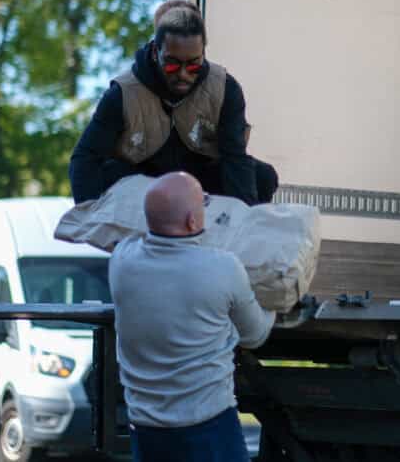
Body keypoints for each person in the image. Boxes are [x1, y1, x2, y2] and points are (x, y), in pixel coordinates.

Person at [109, 171, 275, 462]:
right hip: (208, 426)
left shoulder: (121, 261)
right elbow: (255, 334)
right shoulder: (222, 267)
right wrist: (276, 300)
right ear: (192, 221)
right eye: (204, 203)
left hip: (147, 431)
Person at [69, 0, 278, 205]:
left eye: (194, 65)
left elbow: (235, 158)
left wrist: (243, 219)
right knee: (105, 174)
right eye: (172, 64)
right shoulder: (122, 93)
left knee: (263, 176)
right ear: (155, 50)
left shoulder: (225, 88)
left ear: (202, 51)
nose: (184, 75)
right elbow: (85, 158)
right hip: (142, 182)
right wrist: (87, 214)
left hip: (200, 179)